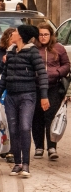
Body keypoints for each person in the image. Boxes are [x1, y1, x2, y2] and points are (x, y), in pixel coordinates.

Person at [0, 25, 49, 178]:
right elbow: (4, 75)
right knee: (13, 130)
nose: (13, 33)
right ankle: (17, 164)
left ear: (22, 36)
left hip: (27, 96)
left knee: (25, 127)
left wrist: (44, 96)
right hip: (10, 97)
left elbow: (43, 75)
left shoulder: (32, 53)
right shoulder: (10, 52)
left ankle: (26, 164)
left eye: (16, 32)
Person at [32, 23, 69, 161]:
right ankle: (39, 147)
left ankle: (52, 147)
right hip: (35, 88)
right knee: (37, 117)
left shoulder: (59, 48)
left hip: (54, 87)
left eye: (46, 34)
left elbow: (67, 65)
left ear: (51, 35)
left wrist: (58, 72)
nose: (43, 37)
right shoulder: (33, 49)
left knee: (51, 116)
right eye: (41, 34)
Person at [0, 28, 16, 163]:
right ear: (7, 39)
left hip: (13, 91)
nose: (15, 42)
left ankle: (12, 150)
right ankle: (3, 146)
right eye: (13, 39)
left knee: (12, 120)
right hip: (0, 90)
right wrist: (3, 62)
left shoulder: (20, 53)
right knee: (1, 121)